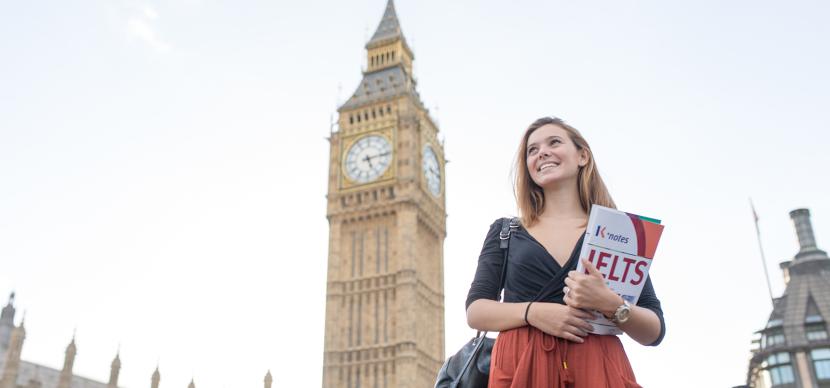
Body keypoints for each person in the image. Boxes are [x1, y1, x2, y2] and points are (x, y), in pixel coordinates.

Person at [465, 117, 665, 387]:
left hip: (597, 367)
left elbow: (654, 331)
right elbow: (475, 311)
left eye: (554, 142)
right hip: (521, 366)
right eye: (532, 150)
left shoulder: (620, 231)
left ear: (582, 156)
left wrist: (612, 304)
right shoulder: (506, 232)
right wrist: (533, 313)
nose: (542, 152)